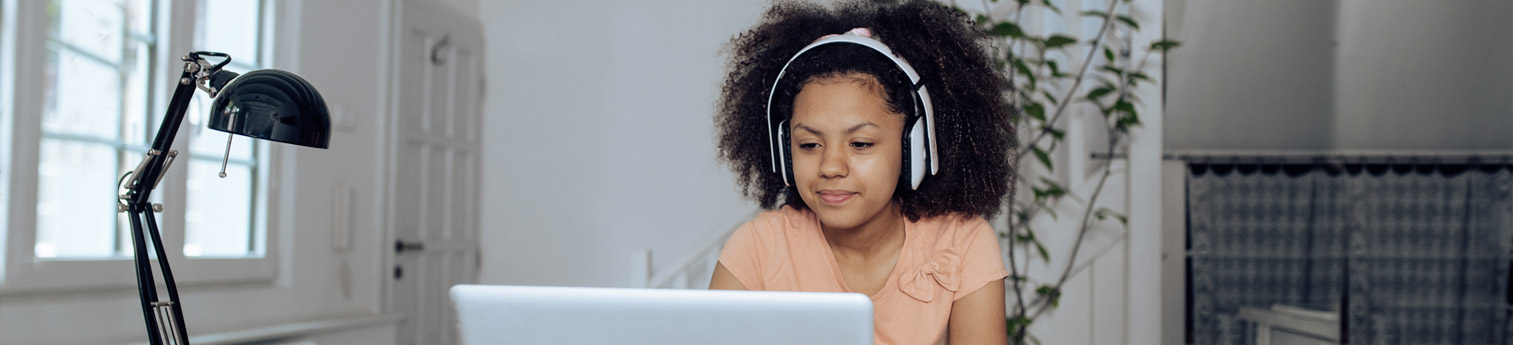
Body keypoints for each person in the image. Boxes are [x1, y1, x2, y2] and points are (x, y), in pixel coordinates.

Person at [710, 1, 1016, 344]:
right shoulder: (758, 248)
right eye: (810, 145)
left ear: (912, 148)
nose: (830, 167)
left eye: (860, 144)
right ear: (784, 151)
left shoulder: (963, 243)